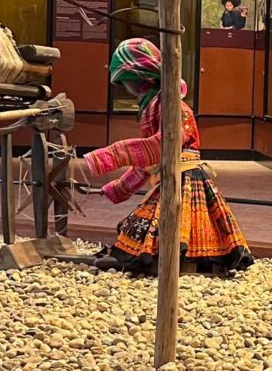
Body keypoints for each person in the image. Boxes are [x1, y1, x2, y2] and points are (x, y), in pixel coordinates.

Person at [83, 39, 252, 275]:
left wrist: (106, 157)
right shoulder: (154, 104)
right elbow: (149, 162)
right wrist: (116, 188)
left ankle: (172, 264)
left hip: (184, 176)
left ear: (141, 76)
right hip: (170, 172)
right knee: (154, 223)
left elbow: (164, 144)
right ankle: (161, 261)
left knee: (176, 223)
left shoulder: (172, 105)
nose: (125, 87)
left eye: (126, 81)